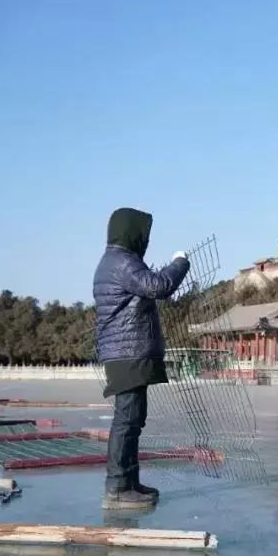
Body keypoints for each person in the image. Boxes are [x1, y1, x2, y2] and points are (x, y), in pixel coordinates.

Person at [93, 207, 190, 509]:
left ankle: (129, 482)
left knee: (133, 420)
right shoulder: (121, 261)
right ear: (131, 232)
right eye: (143, 233)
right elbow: (158, 286)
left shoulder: (117, 261)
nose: (145, 240)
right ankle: (118, 488)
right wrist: (180, 262)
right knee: (126, 421)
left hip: (128, 351)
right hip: (127, 353)